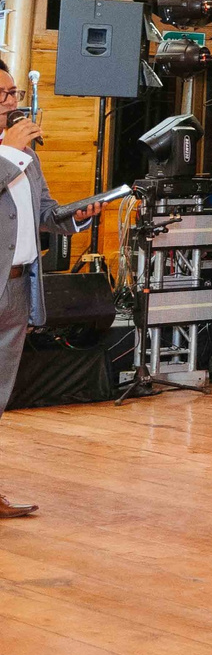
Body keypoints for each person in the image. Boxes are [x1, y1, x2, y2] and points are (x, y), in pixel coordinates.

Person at [1, 62, 99, 520]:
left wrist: (76, 216)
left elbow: (43, 212)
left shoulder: (26, 155)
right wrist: (8, 154)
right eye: (2, 94)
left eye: (13, 92)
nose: (11, 101)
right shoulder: (14, 152)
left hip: (17, 288)